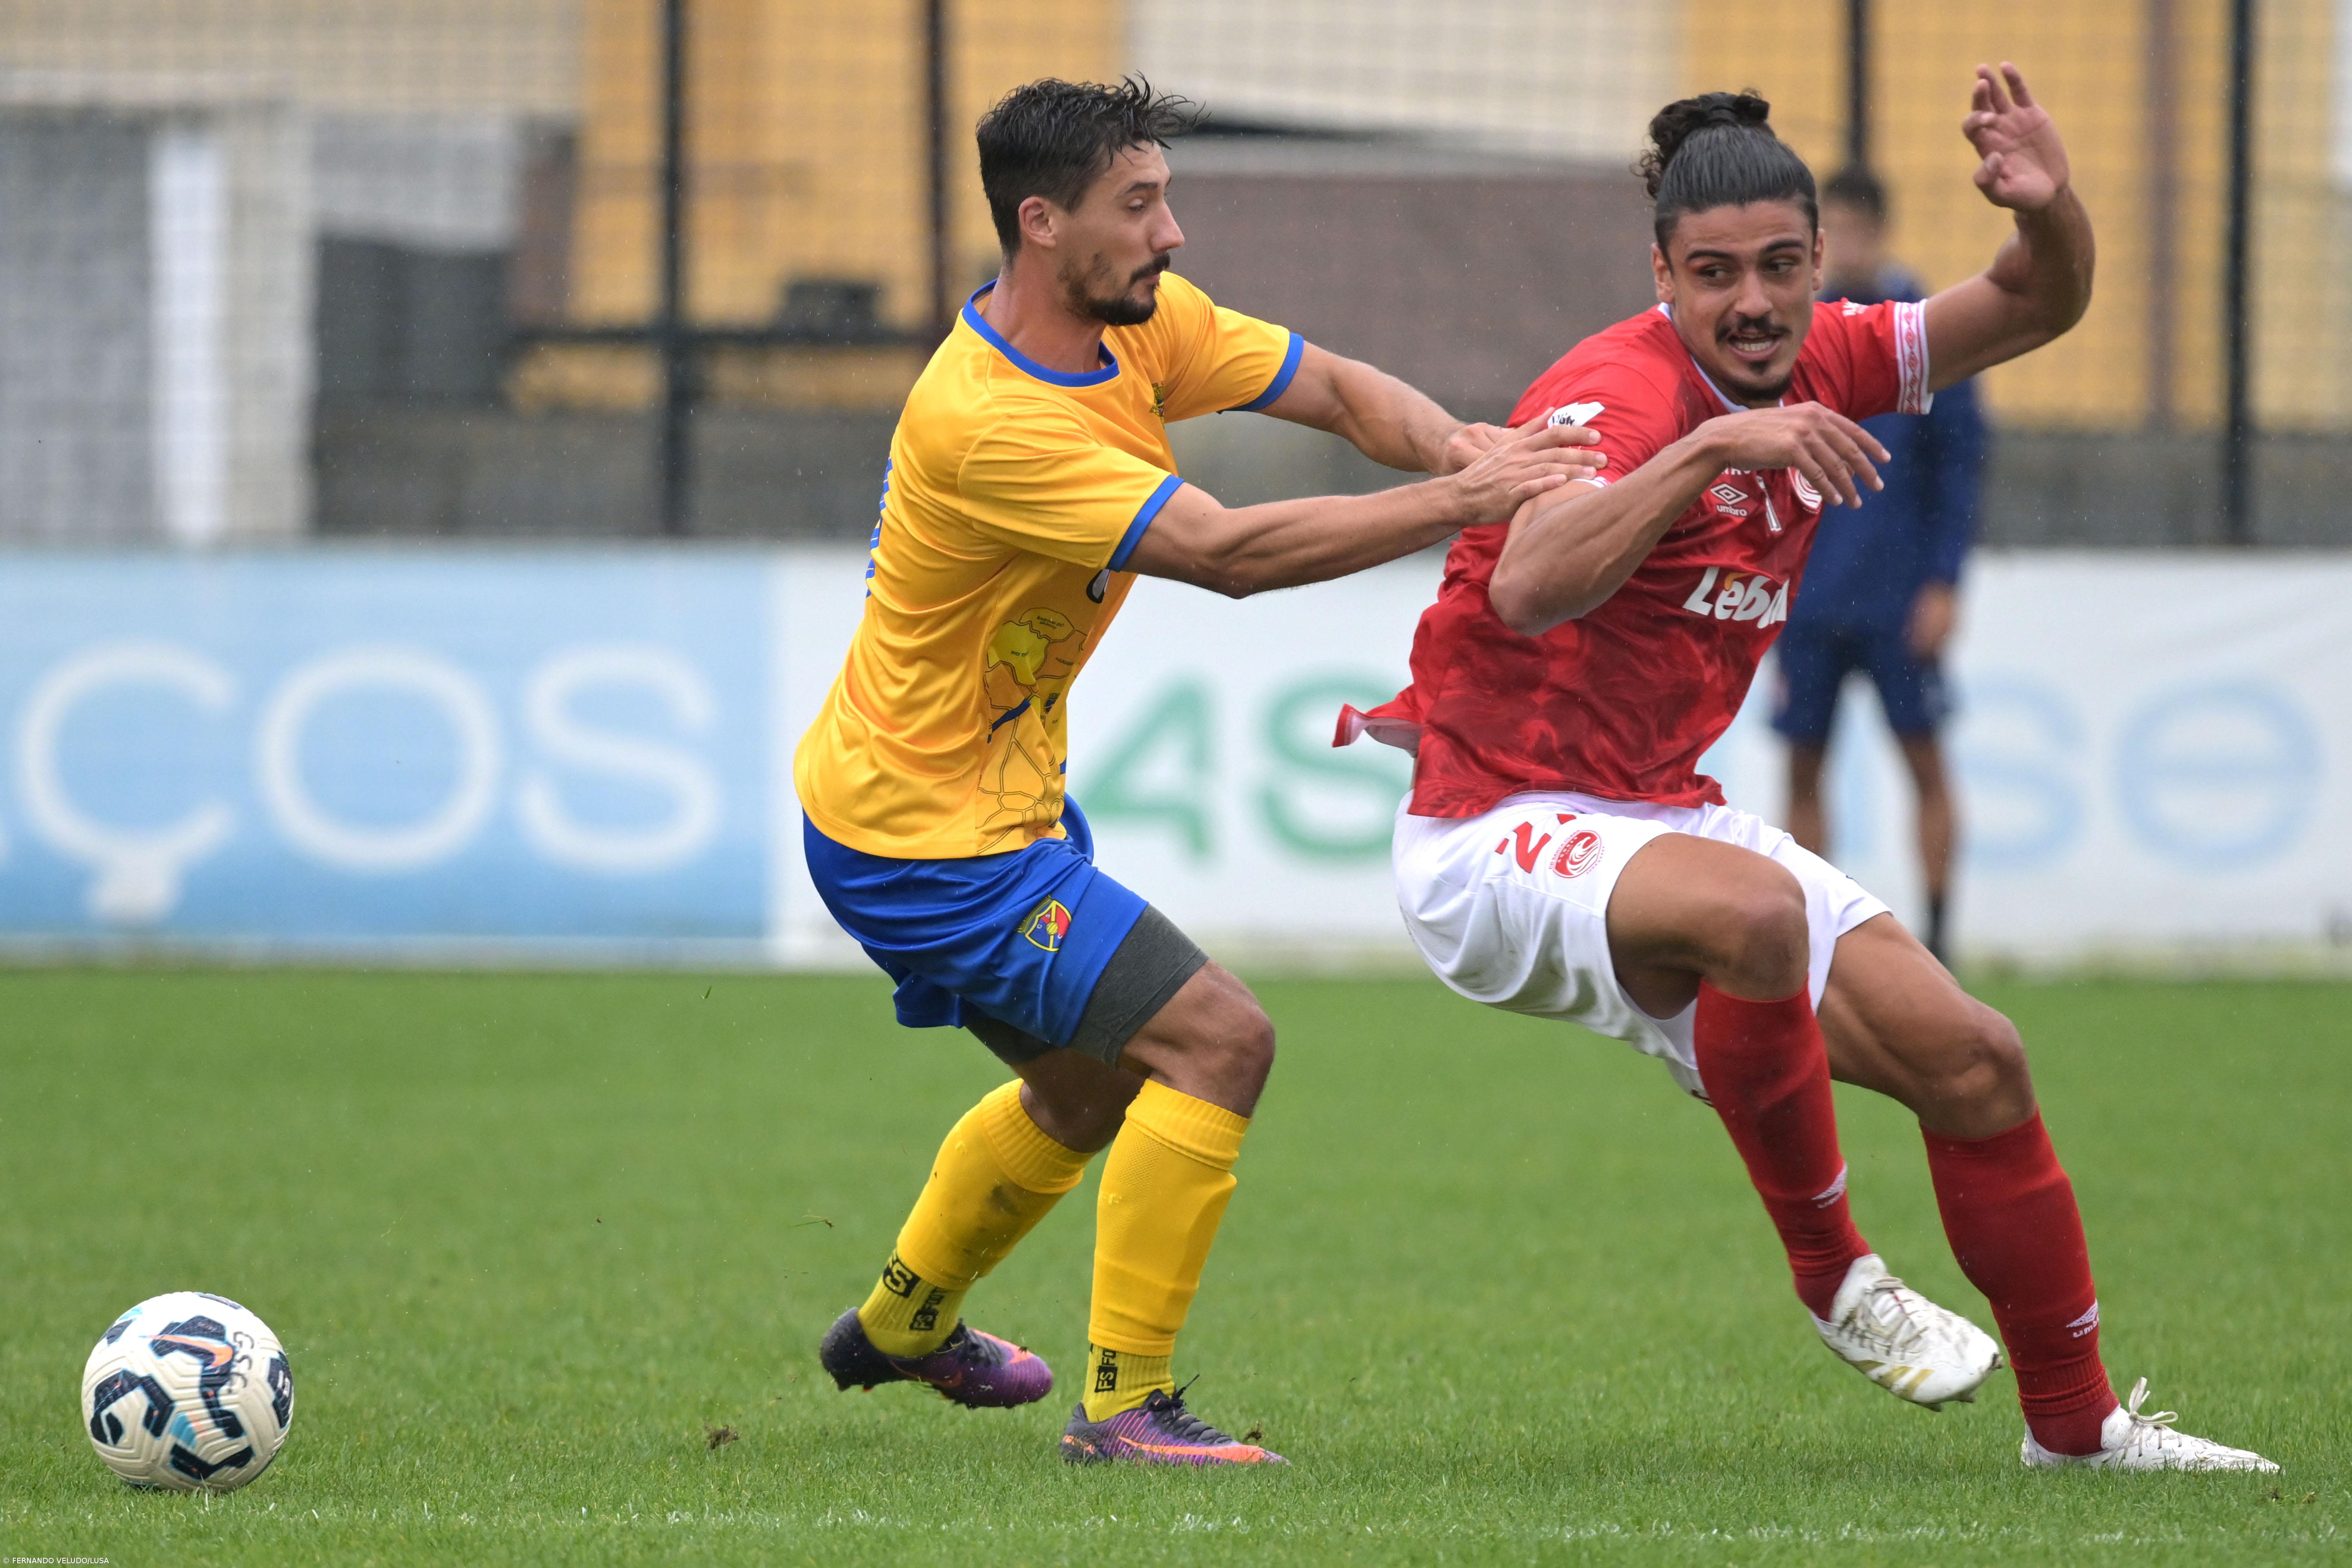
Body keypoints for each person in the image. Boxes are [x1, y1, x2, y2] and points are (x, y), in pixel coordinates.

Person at [1344, 68, 2276, 1471]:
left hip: (1655, 818)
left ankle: (2080, 1439)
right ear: (1662, 275)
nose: (1755, 303)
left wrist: (2055, 209)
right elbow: (1531, 583)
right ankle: (1837, 1275)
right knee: (1755, 915)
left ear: (1818, 260)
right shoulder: (1616, 395)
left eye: (1782, 267)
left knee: (1979, 1062)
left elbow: (2040, 304)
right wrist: (1716, 441)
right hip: (1493, 828)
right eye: (1714, 276)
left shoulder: (1834, 355)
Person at [795, 76, 1600, 1468]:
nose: (1172, 231)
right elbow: (1224, 558)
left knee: (1094, 1090)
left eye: (1165, 195)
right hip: (929, 841)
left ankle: (904, 1324)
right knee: (1220, 1040)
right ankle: (1125, 1414)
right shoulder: (987, 418)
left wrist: (1466, 445)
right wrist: (1468, 501)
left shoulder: (1142, 321)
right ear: (1042, 225)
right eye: (1139, 203)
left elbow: (1341, 390)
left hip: (960, 808)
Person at [1774, 165, 1987, 964]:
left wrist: (1944, 583)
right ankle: (1815, 937)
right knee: (1803, 767)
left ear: (1880, 231)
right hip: (1807, 600)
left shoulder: (1924, 334)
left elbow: (1961, 469)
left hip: (1898, 601)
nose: (1845, 246)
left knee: (1925, 762)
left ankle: (1939, 933)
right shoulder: (1790, 337)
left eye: (1857, 229)